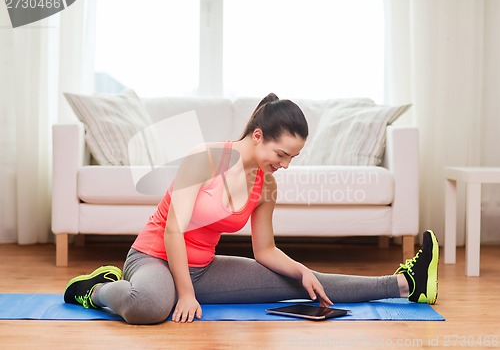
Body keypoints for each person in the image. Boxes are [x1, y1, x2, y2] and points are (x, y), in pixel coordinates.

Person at [64, 93, 439, 325]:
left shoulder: (266, 184)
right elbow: (173, 229)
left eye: (292, 158)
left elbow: (265, 251)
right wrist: (186, 294)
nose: (286, 165)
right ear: (258, 135)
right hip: (153, 258)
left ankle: (407, 283)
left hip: (205, 269)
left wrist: (302, 270)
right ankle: (97, 288)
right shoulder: (206, 158)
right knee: (149, 307)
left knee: (304, 283)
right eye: (282, 154)